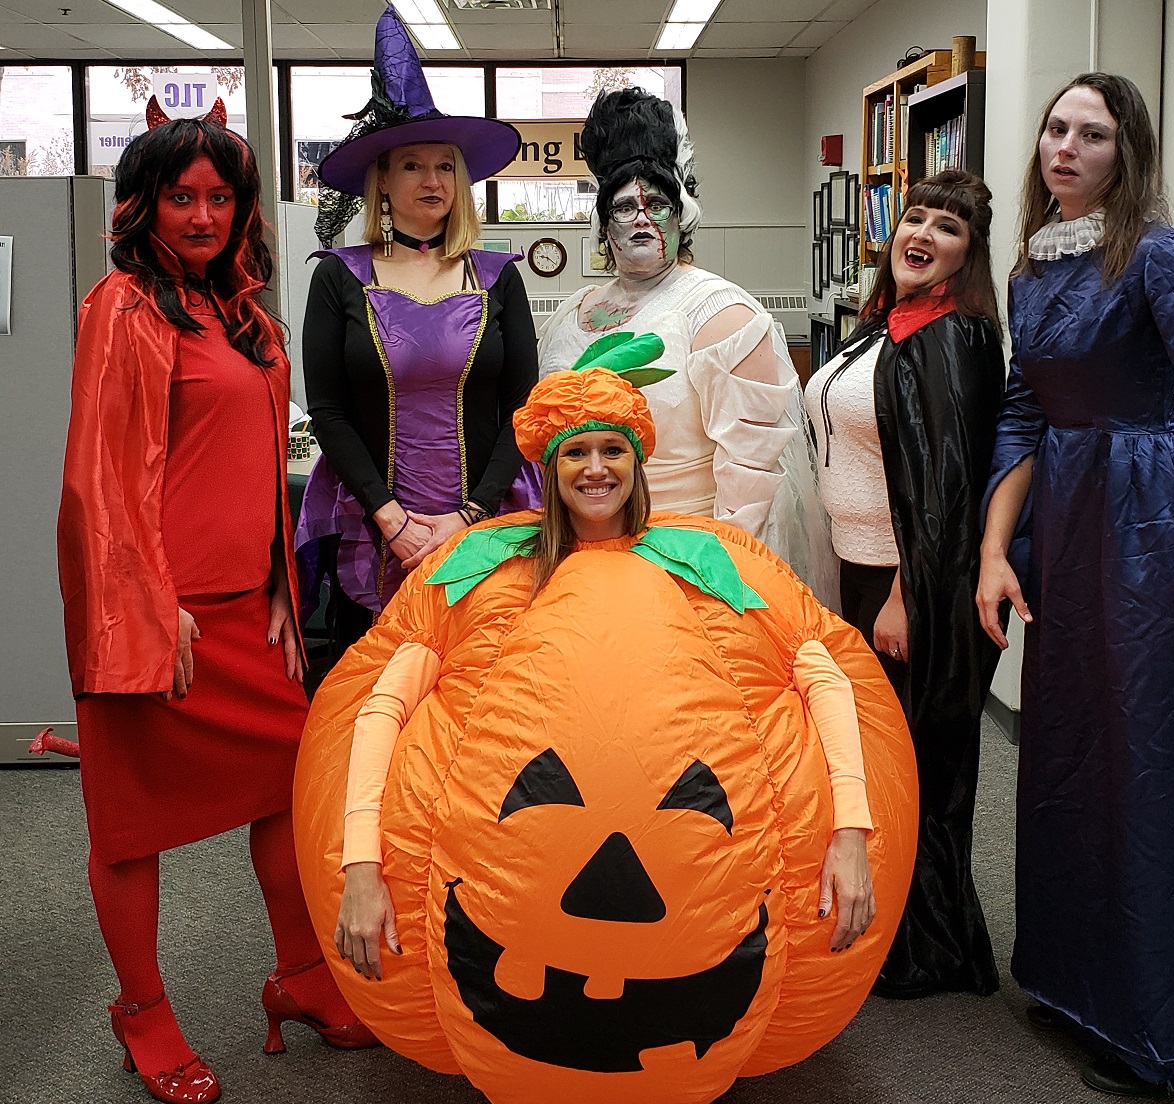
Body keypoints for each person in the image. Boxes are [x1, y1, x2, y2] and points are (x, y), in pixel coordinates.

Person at [290, 336, 920, 1103]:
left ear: (638, 462)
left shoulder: (718, 566)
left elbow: (825, 680)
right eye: (575, 452)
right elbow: (378, 709)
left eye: (612, 450)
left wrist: (851, 837)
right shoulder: (481, 572)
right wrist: (361, 865)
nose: (596, 468)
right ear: (548, 471)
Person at [56, 102, 375, 1104]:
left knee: (287, 794)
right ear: (141, 203)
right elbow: (98, 477)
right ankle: (142, 1013)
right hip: (156, 622)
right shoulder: (122, 308)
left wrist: (284, 589)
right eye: (179, 196)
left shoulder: (248, 320)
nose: (201, 216)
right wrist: (149, 605)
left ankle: (301, 974)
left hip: (247, 612)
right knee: (131, 826)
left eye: (219, 196)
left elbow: (246, 469)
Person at [975, 72, 1174, 1095]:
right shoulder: (1026, 269)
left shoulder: (1154, 256)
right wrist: (991, 555)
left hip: (1153, 529)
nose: (1064, 146)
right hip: (1068, 536)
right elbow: (1020, 413)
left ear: (1124, 152)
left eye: (1090, 134)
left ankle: (1173, 1028)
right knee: (1075, 764)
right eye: (1055, 128)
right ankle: (1081, 994)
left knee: (1157, 777)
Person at [805, 169, 1005, 999]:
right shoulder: (887, 326)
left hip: (907, 587)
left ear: (969, 254)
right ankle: (887, 927)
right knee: (877, 758)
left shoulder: (954, 336)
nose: (923, 233)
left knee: (916, 763)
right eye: (915, 217)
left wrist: (905, 596)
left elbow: (948, 489)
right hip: (859, 572)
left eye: (948, 228)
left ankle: (928, 951)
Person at [296, 4, 540, 668]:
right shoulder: (339, 278)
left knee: (480, 695)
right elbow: (330, 412)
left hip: (486, 526)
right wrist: (390, 518)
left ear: (461, 182)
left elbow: (524, 411)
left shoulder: (498, 279)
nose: (431, 180)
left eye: (444, 166)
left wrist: (470, 514)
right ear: (382, 181)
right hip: (374, 527)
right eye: (411, 165)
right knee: (374, 693)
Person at [537, 87, 837, 605]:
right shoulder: (569, 314)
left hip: (683, 562)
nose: (640, 219)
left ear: (682, 215)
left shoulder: (723, 315)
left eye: (656, 203)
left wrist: (719, 584)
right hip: (575, 558)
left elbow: (752, 480)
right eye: (623, 206)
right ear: (602, 223)